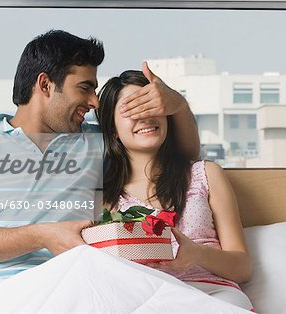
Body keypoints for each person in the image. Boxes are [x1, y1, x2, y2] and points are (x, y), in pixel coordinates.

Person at [0, 30, 200, 309]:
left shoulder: (96, 141)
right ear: (45, 85)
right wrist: (44, 235)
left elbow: (184, 156)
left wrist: (179, 106)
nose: (95, 102)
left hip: (77, 282)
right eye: (85, 88)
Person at [96, 70, 254, 311]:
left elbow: (243, 267)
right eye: (132, 110)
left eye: (151, 106)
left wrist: (198, 254)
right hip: (152, 300)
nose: (145, 116)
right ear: (113, 129)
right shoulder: (106, 201)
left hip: (214, 296)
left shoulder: (206, 174)